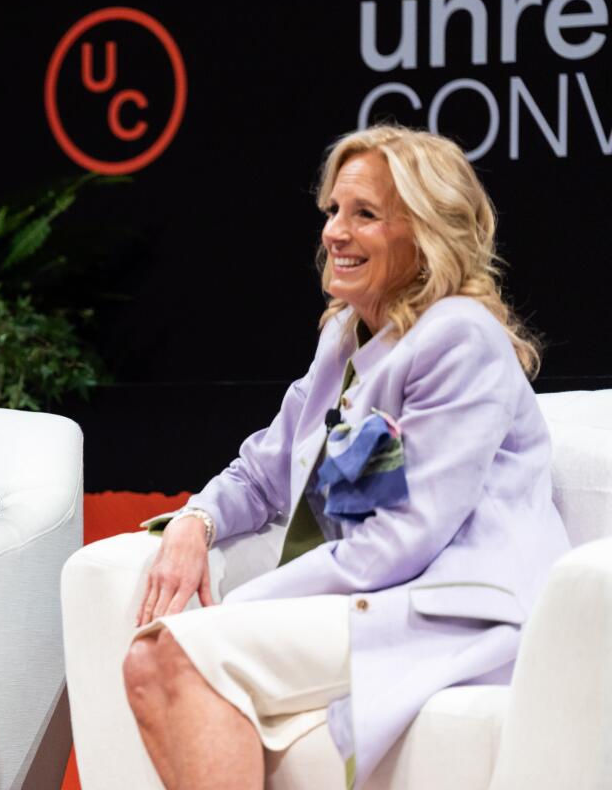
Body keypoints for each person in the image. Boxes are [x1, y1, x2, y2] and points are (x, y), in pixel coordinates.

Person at [119, 126, 569, 789]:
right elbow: (263, 471)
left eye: (364, 215)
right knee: (160, 660)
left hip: (450, 608)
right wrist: (197, 522)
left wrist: (245, 606)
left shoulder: (459, 340)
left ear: (424, 234)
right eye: (333, 211)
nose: (334, 232)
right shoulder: (345, 336)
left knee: (168, 656)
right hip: (375, 599)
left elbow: (402, 540)